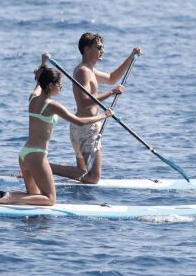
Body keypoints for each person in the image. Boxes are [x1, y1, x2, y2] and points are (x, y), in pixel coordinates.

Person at [0, 54, 113, 205]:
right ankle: (10, 197)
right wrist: (103, 115)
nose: (61, 88)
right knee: (50, 199)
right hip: (37, 156)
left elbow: (38, 81)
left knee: (33, 195)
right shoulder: (52, 105)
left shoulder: (33, 98)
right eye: (59, 85)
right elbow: (79, 122)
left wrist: (43, 63)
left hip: (24, 154)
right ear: (50, 86)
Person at [50, 33, 141, 183]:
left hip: (80, 127)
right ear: (87, 50)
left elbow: (112, 77)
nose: (102, 50)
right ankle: (45, 167)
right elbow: (85, 102)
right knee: (93, 178)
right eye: (98, 47)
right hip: (87, 129)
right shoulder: (83, 72)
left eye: (102, 47)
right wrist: (111, 92)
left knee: (82, 173)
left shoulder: (89, 70)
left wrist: (131, 57)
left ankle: (46, 169)